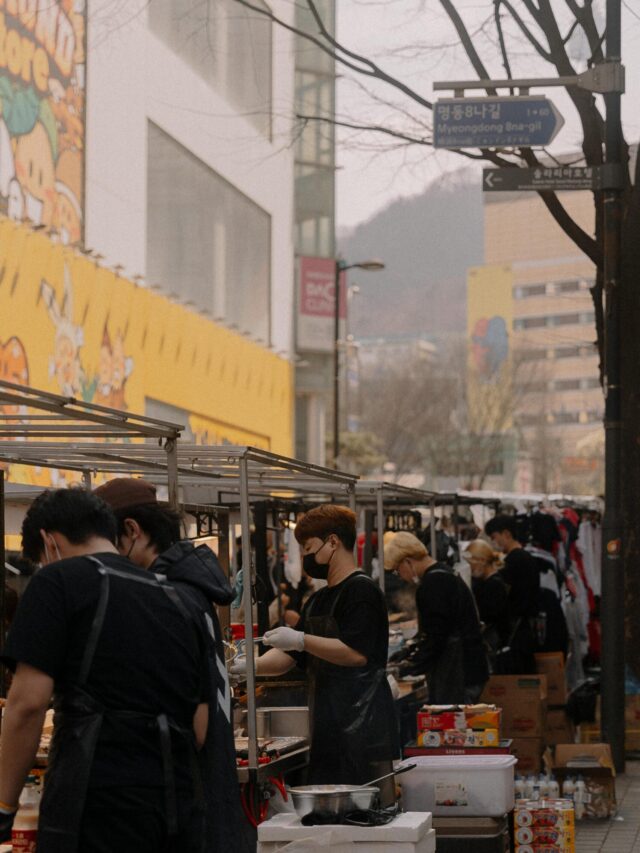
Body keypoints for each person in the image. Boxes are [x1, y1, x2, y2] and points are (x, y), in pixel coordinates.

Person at [0, 487, 209, 852]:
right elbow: (200, 724)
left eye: (43, 561)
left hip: (95, 806)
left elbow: (28, 705)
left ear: (50, 542)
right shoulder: (177, 596)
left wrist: (4, 806)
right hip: (177, 807)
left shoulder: (58, 581)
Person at [94, 477, 249, 853]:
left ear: (132, 531)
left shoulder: (166, 597)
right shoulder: (190, 589)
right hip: (210, 787)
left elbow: (192, 723)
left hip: (189, 794)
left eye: (105, 543)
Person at [234, 505, 399, 804]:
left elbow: (356, 654)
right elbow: (288, 658)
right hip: (327, 723)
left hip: (364, 724)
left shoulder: (362, 591)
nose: (305, 557)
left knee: (366, 810)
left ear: (333, 542)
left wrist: (300, 639)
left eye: (308, 548)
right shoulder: (318, 599)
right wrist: (248, 666)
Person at [384, 531, 488, 704]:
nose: (400, 576)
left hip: (458, 673)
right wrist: (408, 652)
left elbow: (436, 637)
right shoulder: (445, 573)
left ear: (407, 561)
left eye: (397, 569)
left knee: (452, 721)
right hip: (468, 667)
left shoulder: (433, 583)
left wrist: (409, 666)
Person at [485, 514, 540, 674]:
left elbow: (506, 596)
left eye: (494, 537)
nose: (493, 542)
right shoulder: (526, 557)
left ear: (506, 534)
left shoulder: (514, 561)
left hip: (517, 629)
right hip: (525, 627)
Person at [464, 540, 510, 669]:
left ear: (482, 561)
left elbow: (490, 615)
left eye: (471, 564)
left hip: (495, 642)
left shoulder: (493, 585)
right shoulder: (492, 582)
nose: (470, 569)